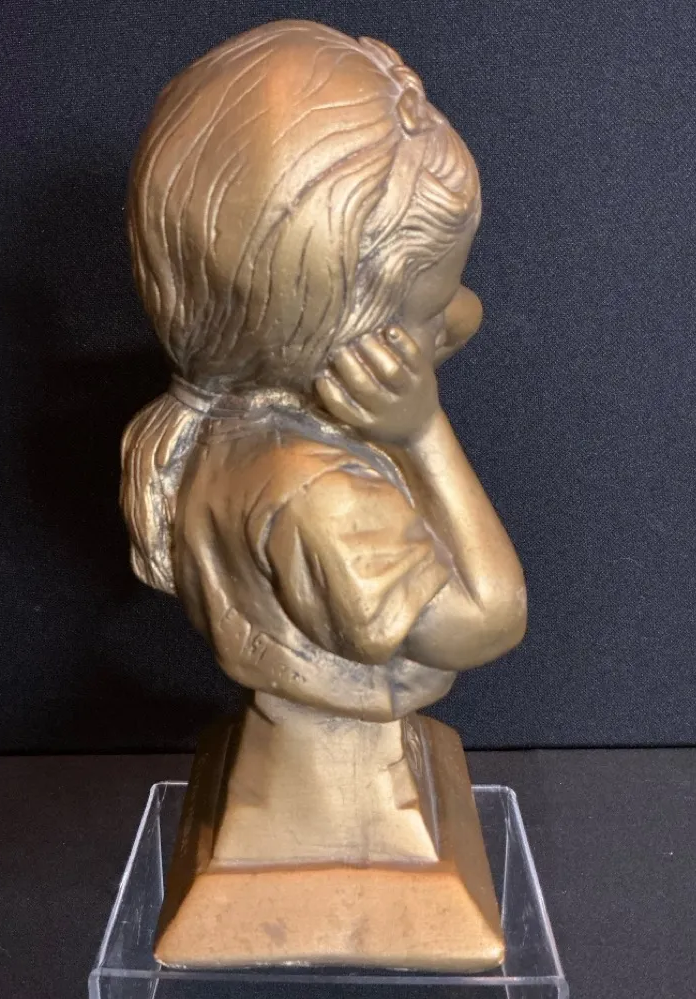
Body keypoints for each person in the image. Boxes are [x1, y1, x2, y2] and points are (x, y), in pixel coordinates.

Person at [120, 19, 526, 723]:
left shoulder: (221, 423)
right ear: (320, 336)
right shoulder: (319, 495)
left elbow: (463, 317)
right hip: (338, 740)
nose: (463, 316)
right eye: (429, 308)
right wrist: (424, 430)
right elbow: (491, 620)